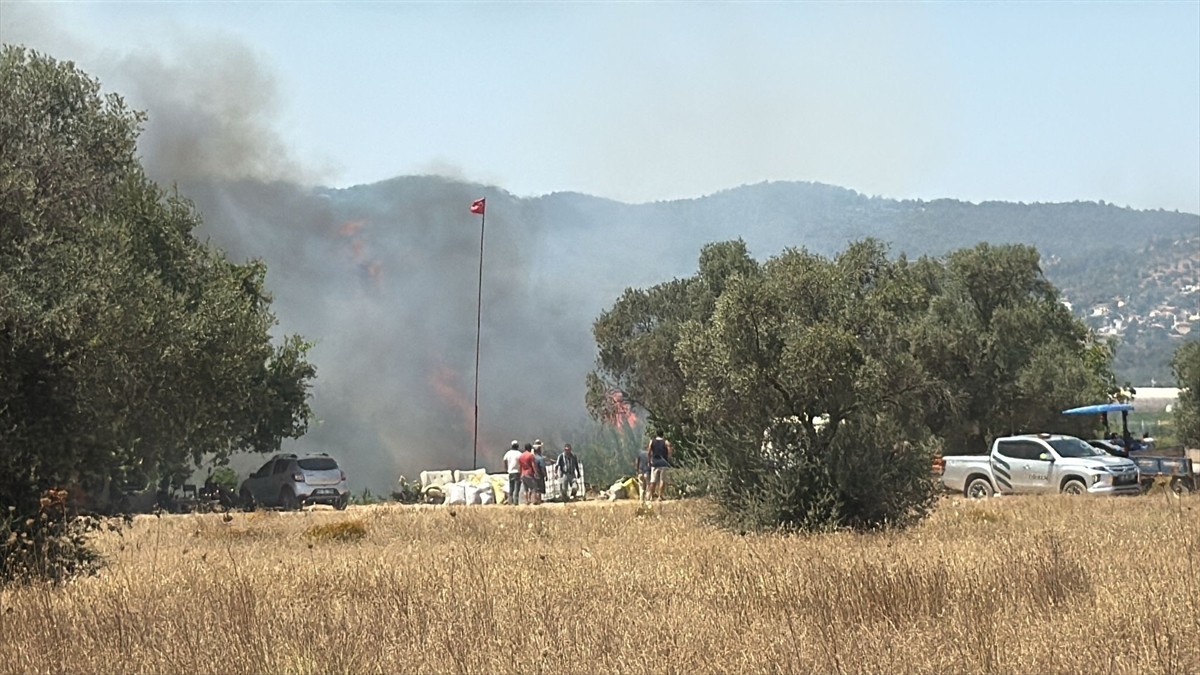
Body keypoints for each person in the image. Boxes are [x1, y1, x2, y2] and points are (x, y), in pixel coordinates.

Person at [647, 432, 673, 501]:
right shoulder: (665, 442)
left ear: (656, 434)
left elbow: (649, 451)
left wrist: (649, 460)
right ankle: (660, 496)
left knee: (653, 481)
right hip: (663, 463)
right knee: (662, 480)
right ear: (663, 435)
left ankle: (651, 496)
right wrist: (669, 458)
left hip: (655, 463)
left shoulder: (652, 441)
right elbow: (670, 450)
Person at [503, 440, 523, 505]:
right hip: (517, 472)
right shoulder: (519, 454)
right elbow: (522, 462)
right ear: (517, 446)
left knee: (511, 488)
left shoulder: (508, 453)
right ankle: (515, 502)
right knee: (517, 488)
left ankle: (510, 501)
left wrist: (506, 469)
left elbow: (504, 460)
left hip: (510, 472)